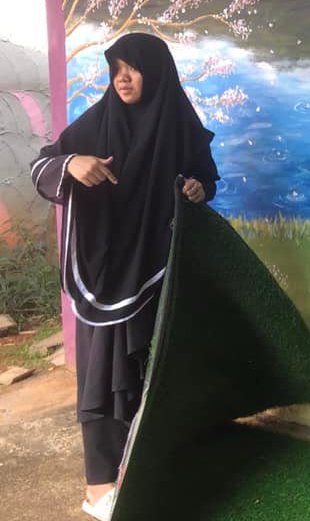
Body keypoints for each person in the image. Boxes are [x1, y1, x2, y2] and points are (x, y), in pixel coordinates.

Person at [30, 33, 219, 521]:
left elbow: (205, 175)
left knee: (154, 375)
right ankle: (98, 490)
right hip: (106, 271)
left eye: (132, 68)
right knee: (103, 376)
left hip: (159, 270)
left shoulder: (178, 123)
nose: (122, 78)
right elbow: (41, 167)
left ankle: (146, 475)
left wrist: (199, 187)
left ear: (156, 72)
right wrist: (73, 163)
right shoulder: (98, 122)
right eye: (115, 69)